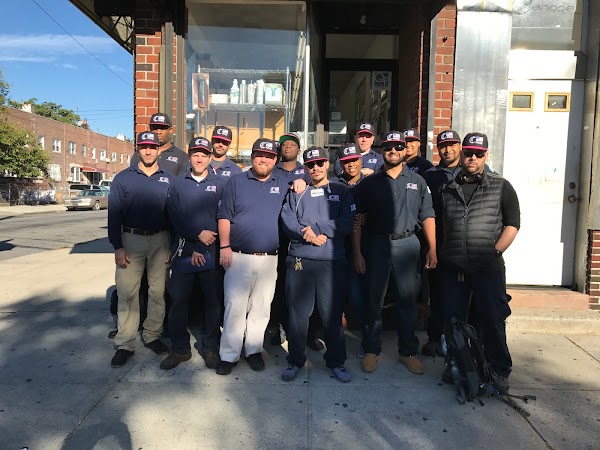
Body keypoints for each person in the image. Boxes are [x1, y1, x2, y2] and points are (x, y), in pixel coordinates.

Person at [437, 132, 520, 394]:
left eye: (478, 154)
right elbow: (440, 224)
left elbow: (513, 224)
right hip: (454, 268)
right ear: (462, 154)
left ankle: (499, 370)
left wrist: (495, 252)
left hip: (487, 268)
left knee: (492, 319)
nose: (472, 158)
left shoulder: (501, 186)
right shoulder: (447, 188)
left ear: (486, 156)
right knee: (453, 321)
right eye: (469, 153)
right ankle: (456, 364)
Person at [215, 138, 306, 376]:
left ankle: (253, 351)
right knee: (234, 307)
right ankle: (229, 355)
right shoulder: (236, 181)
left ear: (275, 159)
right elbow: (224, 216)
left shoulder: (282, 181)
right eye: (259, 155)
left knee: (261, 307)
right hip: (238, 256)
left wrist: (301, 180)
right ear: (252, 157)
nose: (263, 159)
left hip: (269, 258)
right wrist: (224, 246)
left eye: (268, 156)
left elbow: (306, 181)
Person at [353, 131, 436, 375]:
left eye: (398, 147)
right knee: (374, 300)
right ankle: (371, 349)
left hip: (408, 244)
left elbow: (427, 215)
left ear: (404, 150)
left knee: (408, 301)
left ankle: (407, 351)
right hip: (377, 245)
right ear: (382, 151)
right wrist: (357, 253)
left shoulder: (418, 181)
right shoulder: (369, 183)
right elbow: (358, 220)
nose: (393, 151)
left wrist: (432, 247)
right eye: (388, 147)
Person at [280, 147, 355, 382]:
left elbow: (347, 221)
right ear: (305, 167)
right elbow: (287, 220)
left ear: (328, 164)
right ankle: (295, 360)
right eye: (310, 164)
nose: (316, 168)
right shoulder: (297, 191)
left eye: (320, 163)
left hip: (331, 263)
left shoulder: (342, 191)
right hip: (301, 261)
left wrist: (319, 229)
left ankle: (336, 362)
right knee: (298, 316)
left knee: (332, 315)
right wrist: (308, 235)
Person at [161, 136, 228, 370]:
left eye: (204, 155)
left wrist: (202, 245)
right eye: (195, 155)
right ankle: (180, 349)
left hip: (210, 250)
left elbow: (222, 218)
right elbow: (174, 215)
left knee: (213, 302)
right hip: (183, 249)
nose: (199, 159)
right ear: (189, 157)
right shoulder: (177, 183)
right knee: (178, 301)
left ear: (210, 158)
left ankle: (210, 348)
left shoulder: (221, 184)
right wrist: (196, 235)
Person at [108, 131, 172, 368]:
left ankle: (152, 334)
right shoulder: (123, 178)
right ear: (138, 149)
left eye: (152, 147)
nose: (148, 151)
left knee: (158, 291)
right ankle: (125, 343)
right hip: (131, 239)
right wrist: (117, 246)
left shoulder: (169, 179)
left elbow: (174, 214)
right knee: (127, 292)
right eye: (144, 147)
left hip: (161, 240)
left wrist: (172, 245)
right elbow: (114, 214)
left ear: (158, 150)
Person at [268, 133, 322, 351]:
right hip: (276, 236)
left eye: (292, 144)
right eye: (284, 145)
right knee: (279, 286)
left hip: (303, 240)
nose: (288, 147)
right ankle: (277, 327)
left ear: (299, 150)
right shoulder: (272, 170)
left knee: (307, 289)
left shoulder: (307, 170)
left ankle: (309, 333)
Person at [420, 130, 462, 356]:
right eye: (443, 146)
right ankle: (435, 337)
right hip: (437, 243)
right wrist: (430, 246)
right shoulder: (430, 175)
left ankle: (460, 339)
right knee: (436, 293)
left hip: (463, 244)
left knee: (462, 294)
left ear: (460, 146)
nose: (448, 149)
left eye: (452, 144)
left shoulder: (472, 171)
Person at [334, 143, 366, 350]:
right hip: (336, 248)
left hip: (363, 249)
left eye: (354, 160)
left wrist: (367, 218)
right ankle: (335, 342)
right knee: (335, 298)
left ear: (361, 160)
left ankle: (367, 341)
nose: (351, 164)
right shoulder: (333, 184)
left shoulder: (371, 183)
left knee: (358, 297)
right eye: (346, 162)